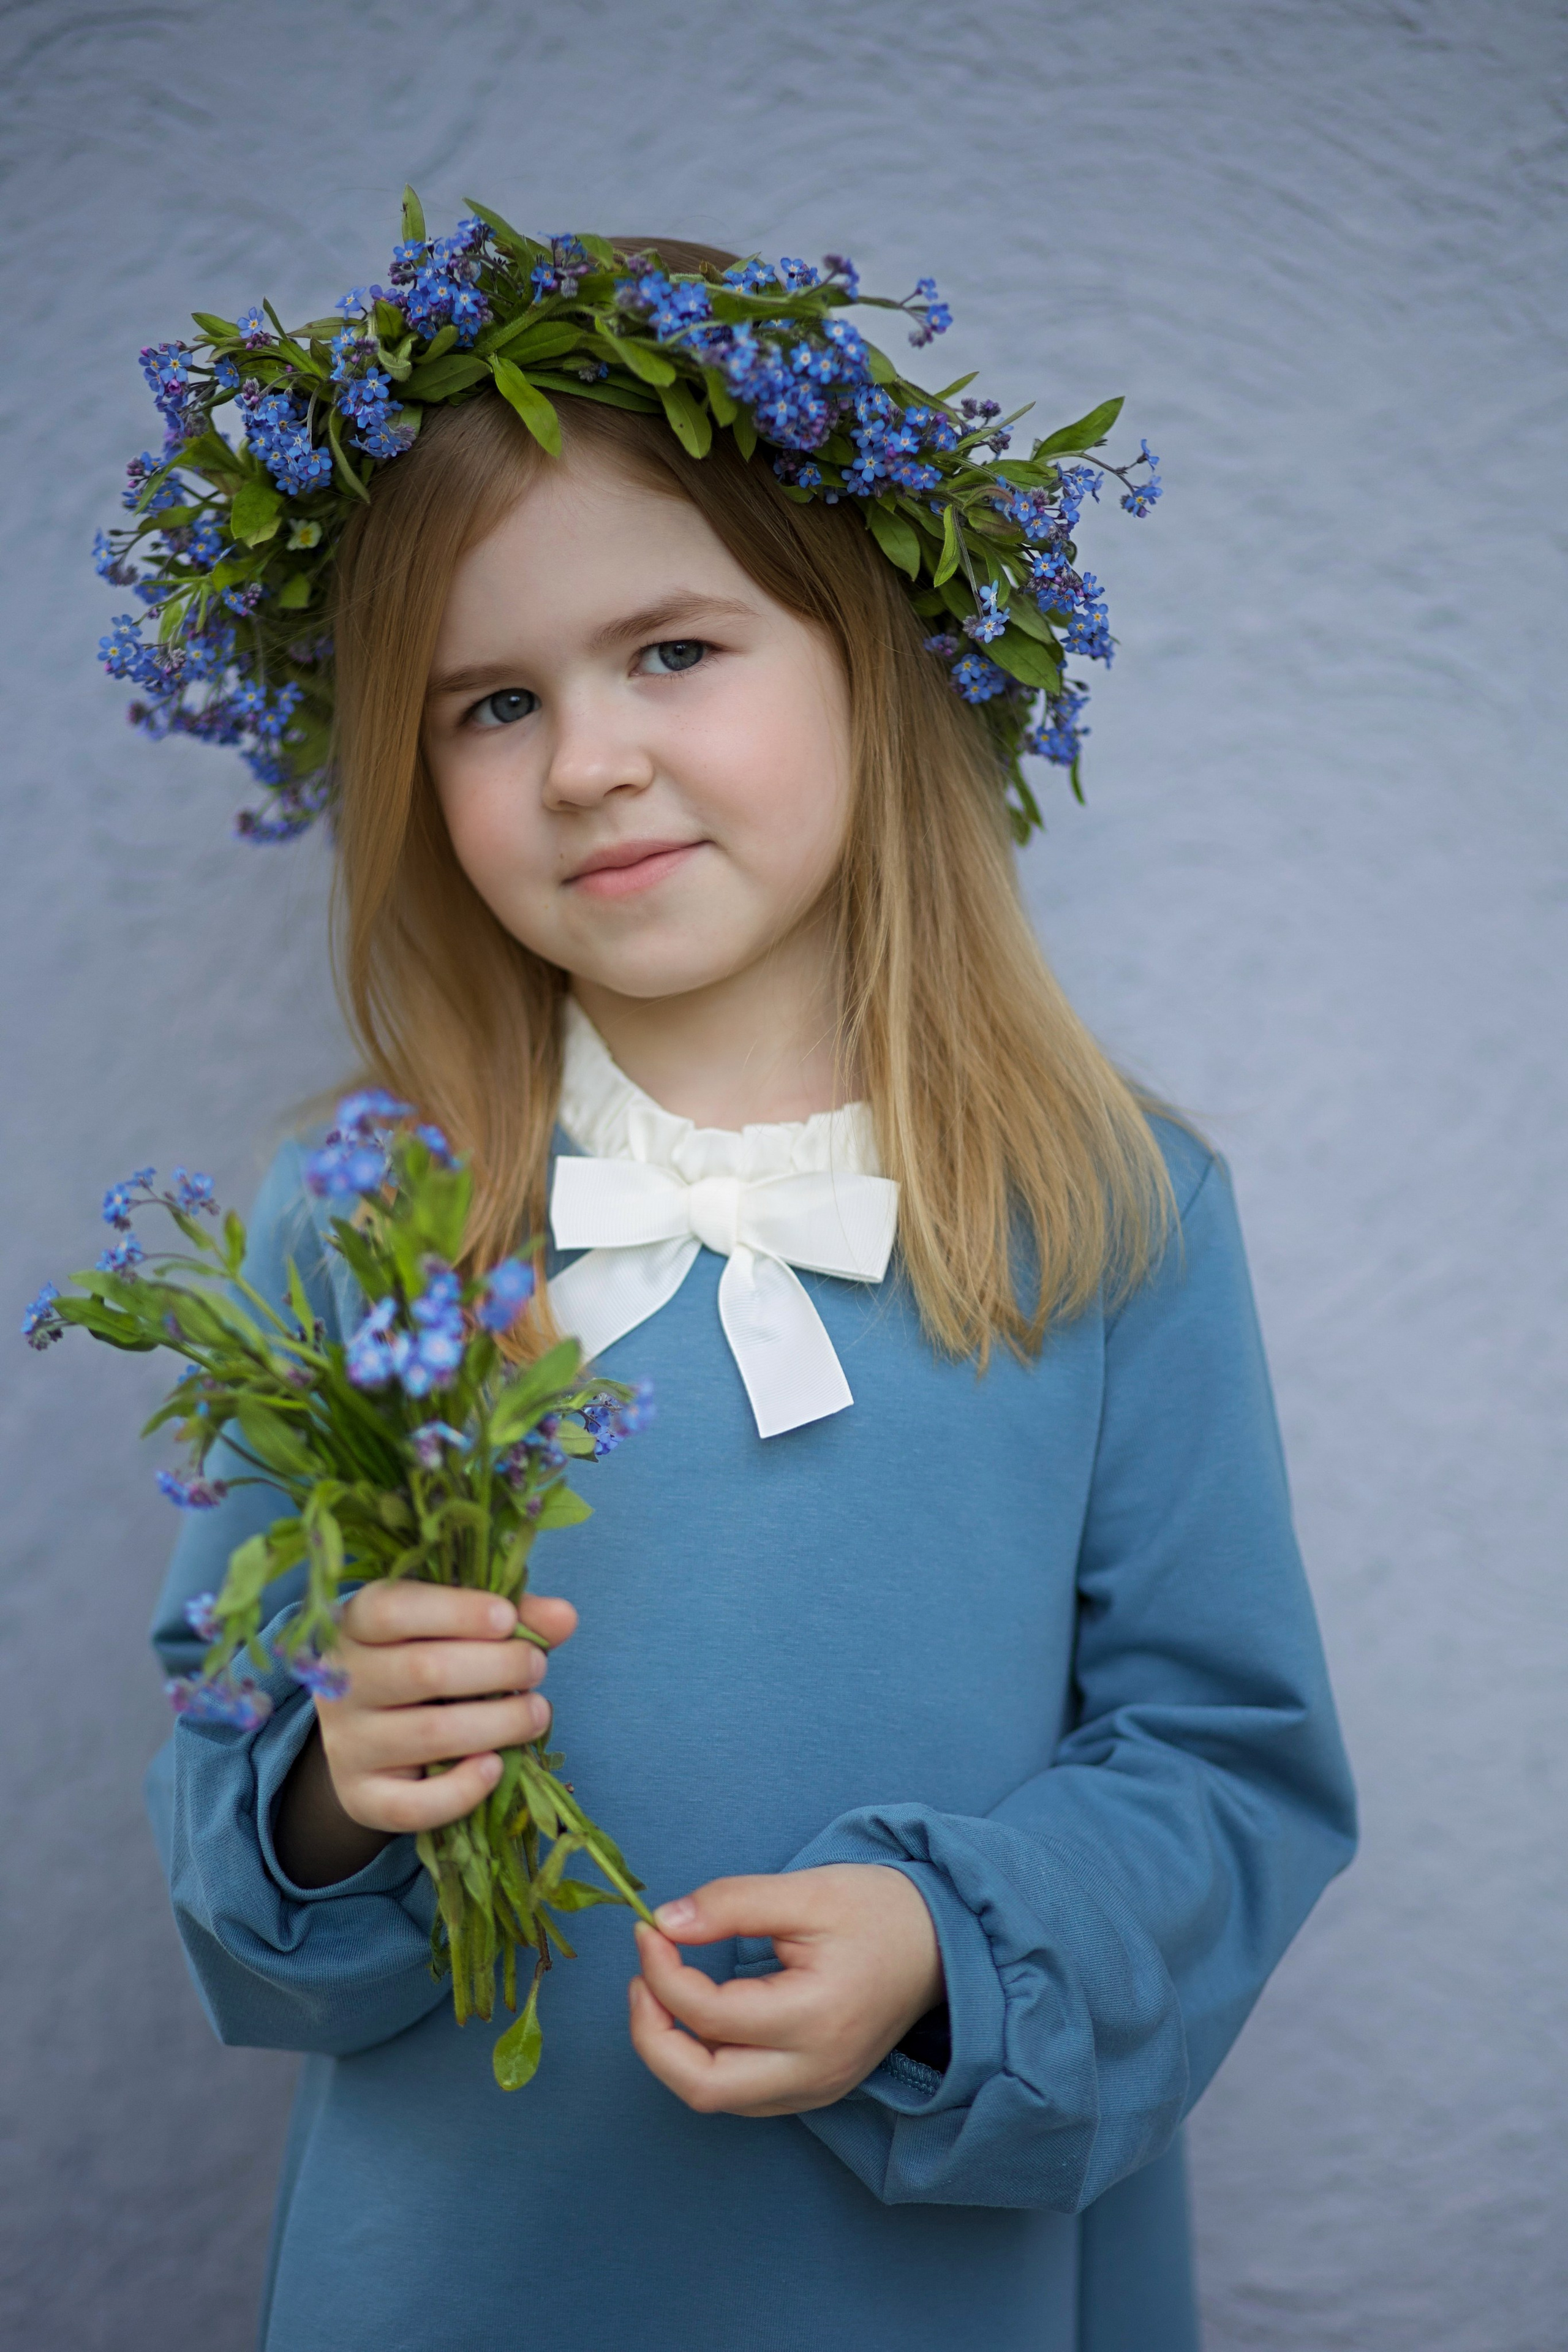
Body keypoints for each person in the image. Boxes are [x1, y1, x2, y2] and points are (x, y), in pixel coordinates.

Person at [141, 225, 1355, 2352]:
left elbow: (1227, 1770)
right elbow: (230, 1779)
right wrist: (346, 1775)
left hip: (932, 2276)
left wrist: (946, 1940)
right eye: (494, 704)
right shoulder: (365, 1221)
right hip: (468, 2267)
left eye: (674, 651)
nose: (589, 758)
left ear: (867, 656)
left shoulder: (1112, 1209)